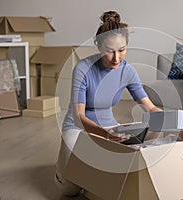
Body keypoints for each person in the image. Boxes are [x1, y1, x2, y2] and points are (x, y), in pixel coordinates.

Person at [55, 10, 162, 197]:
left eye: (122, 50)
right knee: (69, 191)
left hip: (109, 126)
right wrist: (104, 134)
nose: (116, 58)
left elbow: (150, 107)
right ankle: (63, 169)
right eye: (109, 51)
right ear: (98, 47)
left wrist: (174, 121)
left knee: (156, 127)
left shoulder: (128, 71)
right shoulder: (83, 68)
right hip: (78, 127)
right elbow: (79, 117)